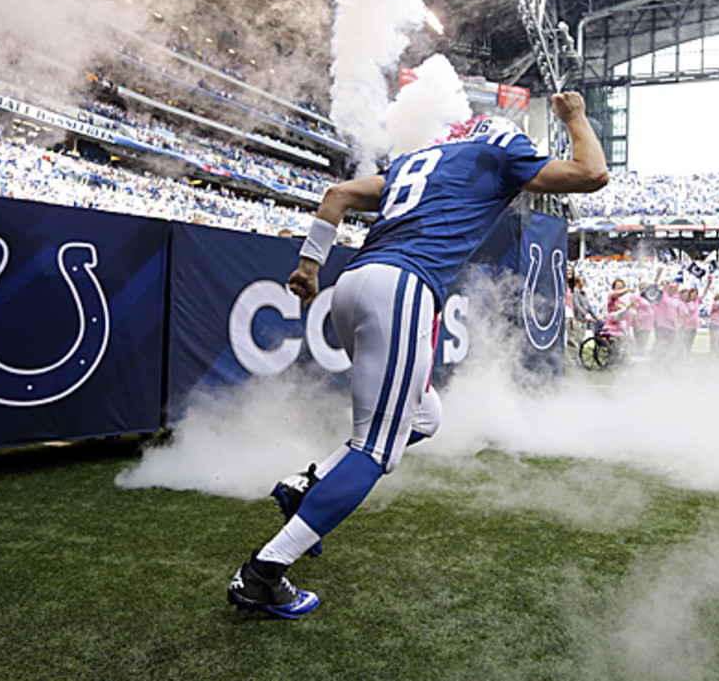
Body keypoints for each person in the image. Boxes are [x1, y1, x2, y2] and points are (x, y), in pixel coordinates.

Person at [226, 93, 609, 619]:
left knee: (425, 416)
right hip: (403, 287)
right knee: (377, 449)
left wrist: (310, 266)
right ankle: (265, 573)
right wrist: (575, 119)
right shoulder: (502, 152)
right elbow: (592, 174)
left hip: (353, 283)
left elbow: (336, 194)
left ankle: (308, 483)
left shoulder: (417, 161)